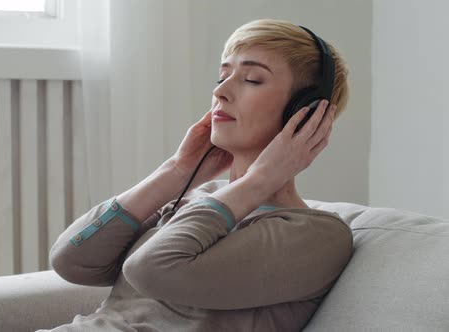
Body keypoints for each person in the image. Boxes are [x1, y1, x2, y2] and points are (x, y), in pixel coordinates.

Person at [42, 18, 352, 332]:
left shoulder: (316, 236)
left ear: (307, 112)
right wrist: (176, 170)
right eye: (223, 75)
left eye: (253, 79)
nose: (221, 91)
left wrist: (260, 180)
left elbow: (150, 269)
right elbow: (72, 261)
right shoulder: (201, 200)